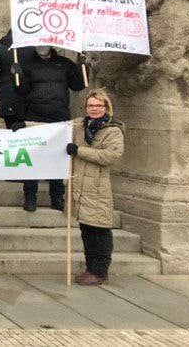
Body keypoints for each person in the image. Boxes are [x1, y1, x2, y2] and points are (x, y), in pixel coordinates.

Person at [12, 45, 88, 212]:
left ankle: (57, 198)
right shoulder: (26, 63)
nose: (42, 47)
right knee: (32, 159)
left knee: (57, 159)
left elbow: (78, 85)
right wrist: (17, 75)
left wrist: (82, 66)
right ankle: (30, 198)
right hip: (34, 116)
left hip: (58, 116)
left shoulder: (64, 63)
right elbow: (21, 91)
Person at [67, 89, 124, 285]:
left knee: (100, 231)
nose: (95, 109)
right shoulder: (80, 126)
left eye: (99, 106)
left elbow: (109, 156)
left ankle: (100, 271)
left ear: (106, 107)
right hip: (81, 190)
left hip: (98, 189)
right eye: (91, 105)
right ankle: (90, 268)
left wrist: (78, 151)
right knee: (87, 232)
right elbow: (53, 128)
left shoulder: (113, 130)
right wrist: (24, 126)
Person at [0, 30, 30, 130]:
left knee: (12, 132)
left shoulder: (0, 46)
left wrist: (0, 84)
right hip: (28, 96)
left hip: (7, 96)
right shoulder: (31, 46)